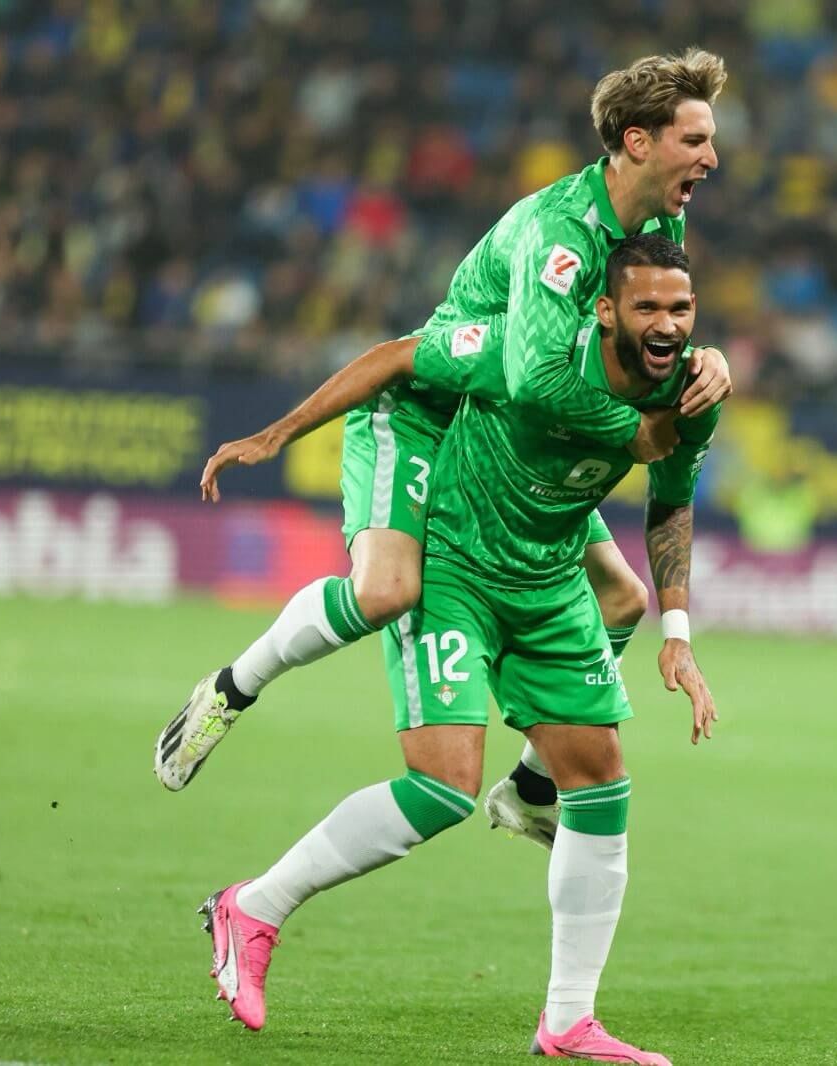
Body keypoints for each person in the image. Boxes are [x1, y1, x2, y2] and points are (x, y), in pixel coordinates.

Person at [155, 49, 731, 838]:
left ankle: (530, 788)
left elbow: (643, 333)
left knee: (624, 599)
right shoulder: (558, 233)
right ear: (638, 142)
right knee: (386, 590)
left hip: (512, 436)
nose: (712, 156)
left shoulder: (664, 217)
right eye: (695, 139)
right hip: (433, 408)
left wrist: (711, 362)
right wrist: (277, 434)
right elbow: (526, 379)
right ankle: (231, 687)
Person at [198, 235, 719, 1064]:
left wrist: (680, 635)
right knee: (443, 785)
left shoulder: (695, 391)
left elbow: (672, 502)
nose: (667, 325)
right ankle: (253, 907)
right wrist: (277, 437)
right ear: (605, 309)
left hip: (546, 582)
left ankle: (567, 1021)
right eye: (648, 307)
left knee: (601, 780)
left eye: (682, 310)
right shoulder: (531, 355)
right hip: (454, 562)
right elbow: (401, 359)